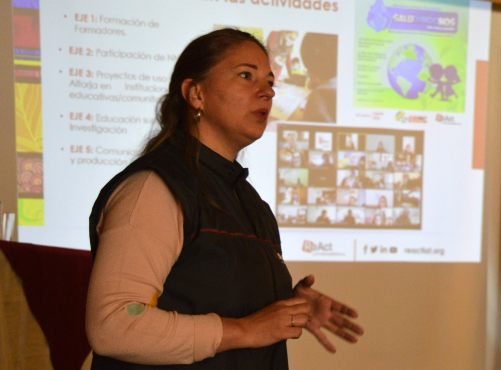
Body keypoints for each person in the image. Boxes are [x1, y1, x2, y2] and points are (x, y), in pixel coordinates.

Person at [85, 29, 363, 370]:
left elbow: (204, 289)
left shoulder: (250, 201)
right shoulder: (153, 188)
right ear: (195, 94)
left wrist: (287, 302)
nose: (267, 92)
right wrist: (245, 330)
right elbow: (114, 327)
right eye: (246, 76)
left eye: (270, 82)